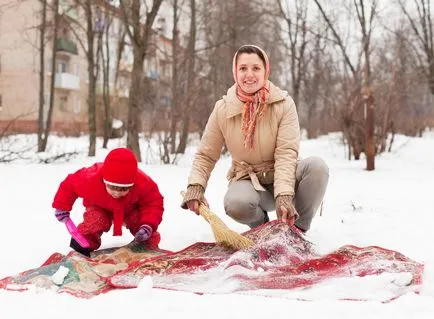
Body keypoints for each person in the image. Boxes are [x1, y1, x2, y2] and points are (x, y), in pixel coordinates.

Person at [181, 44, 329, 233]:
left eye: (256, 68)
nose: (249, 74)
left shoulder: (283, 104)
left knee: (317, 167)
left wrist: (284, 194)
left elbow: (286, 153)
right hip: (249, 180)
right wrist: (196, 186)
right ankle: (262, 229)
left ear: (265, 71)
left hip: (283, 174)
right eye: (243, 68)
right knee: (235, 203)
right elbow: (206, 155)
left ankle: (297, 229)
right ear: (235, 72)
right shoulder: (223, 109)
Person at [53, 147, 164, 256]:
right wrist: (62, 207)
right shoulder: (90, 178)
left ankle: (146, 244)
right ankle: (84, 243)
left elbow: (153, 203)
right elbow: (69, 185)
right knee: (95, 220)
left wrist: (148, 224)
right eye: (112, 188)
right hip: (99, 206)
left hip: (129, 209)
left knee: (141, 225)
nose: (117, 194)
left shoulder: (142, 182)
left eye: (124, 189)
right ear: (104, 180)